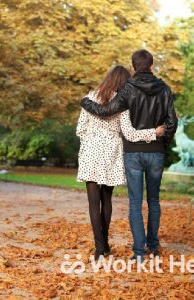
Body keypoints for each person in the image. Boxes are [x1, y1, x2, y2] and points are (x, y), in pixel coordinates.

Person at [80, 50, 178, 261]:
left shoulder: (126, 91)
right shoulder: (164, 89)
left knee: (132, 202)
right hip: (146, 151)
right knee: (153, 200)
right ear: (152, 66)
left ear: (134, 68)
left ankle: (130, 251)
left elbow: (100, 115)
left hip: (120, 152)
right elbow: (171, 122)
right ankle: (152, 246)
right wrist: (162, 142)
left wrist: (85, 102)